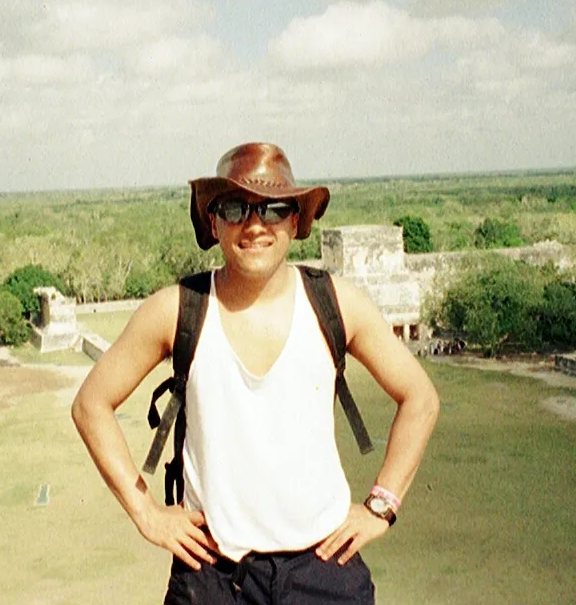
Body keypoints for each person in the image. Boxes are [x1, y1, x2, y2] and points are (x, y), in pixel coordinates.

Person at [72, 142, 440, 603]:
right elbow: (91, 405)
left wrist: (381, 506)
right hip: (214, 574)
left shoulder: (336, 305)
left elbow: (420, 398)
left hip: (323, 571)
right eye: (234, 207)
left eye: (274, 208)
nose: (254, 225)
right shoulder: (178, 310)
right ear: (213, 221)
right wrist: (146, 512)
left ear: (295, 221)